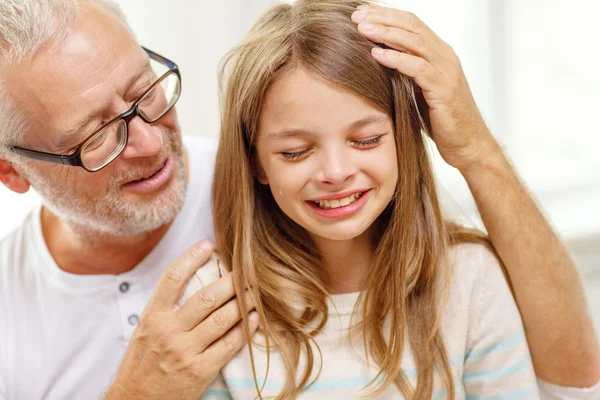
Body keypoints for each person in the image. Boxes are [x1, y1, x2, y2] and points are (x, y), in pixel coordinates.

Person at [0, 0, 596, 399]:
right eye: (97, 136)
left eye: (144, 90)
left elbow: (570, 381)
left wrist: (476, 150)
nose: (153, 142)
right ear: (13, 171)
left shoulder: (461, 280)